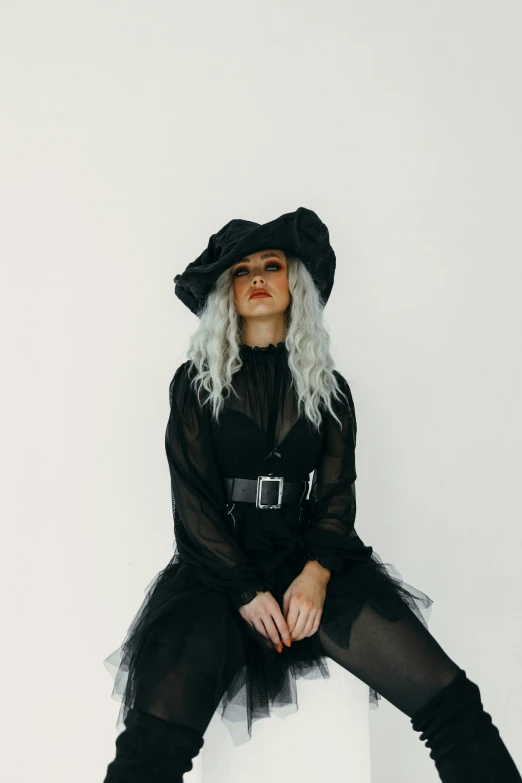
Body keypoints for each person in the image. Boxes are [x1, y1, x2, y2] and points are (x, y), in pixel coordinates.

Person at [102, 207, 521, 782]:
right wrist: (245, 589)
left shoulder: (330, 388)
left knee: (453, 706)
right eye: (241, 271)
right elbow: (192, 500)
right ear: (226, 292)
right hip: (218, 568)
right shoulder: (194, 382)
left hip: (312, 558)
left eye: (270, 265)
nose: (256, 278)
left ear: (293, 282)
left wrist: (317, 573)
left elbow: (337, 494)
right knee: (153, 743)